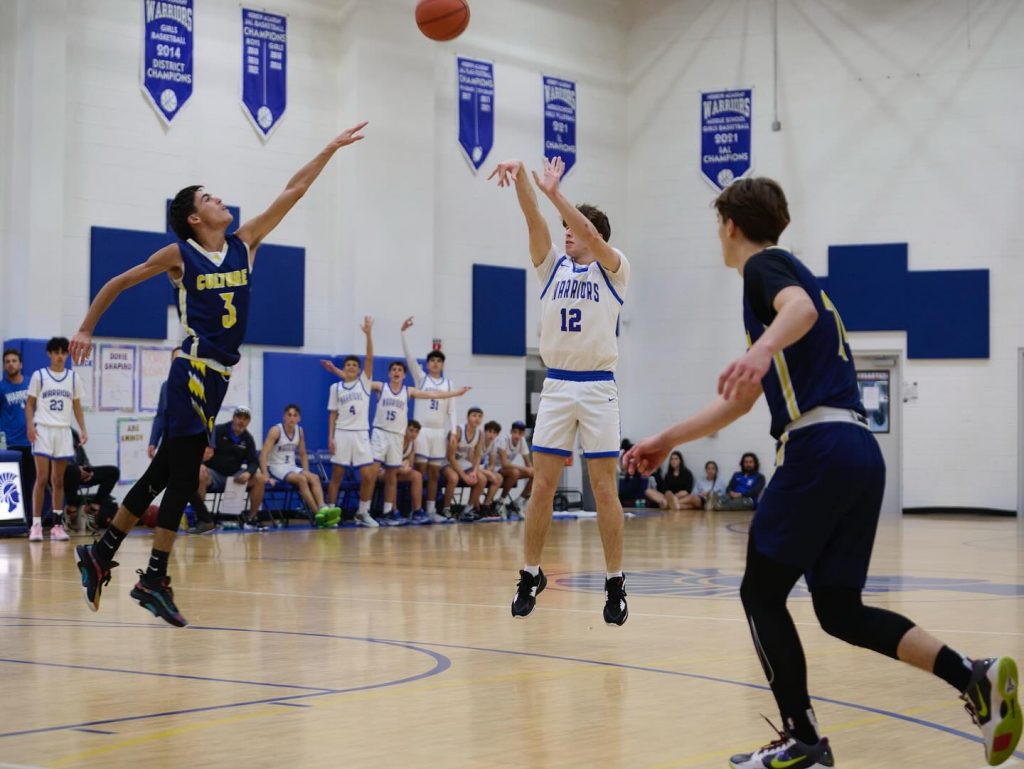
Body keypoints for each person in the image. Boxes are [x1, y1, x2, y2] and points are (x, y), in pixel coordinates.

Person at [625, 177, 1021, 768]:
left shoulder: (766, 269)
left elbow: (799, 312)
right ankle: (973, 677)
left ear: (730, 225)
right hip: (858, 449)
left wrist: (759, 350)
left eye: (717, 224)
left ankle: (802, 740)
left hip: (818, 447)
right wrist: (666, 438)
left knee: (760, 592)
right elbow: (739, 401)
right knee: (839, 610)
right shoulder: (787, 280)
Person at [72, 122, 368, 627]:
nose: (221, 200)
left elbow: (292, 191)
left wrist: (329, 148)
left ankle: (102, 551)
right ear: (193, 216)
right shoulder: (179, 256)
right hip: (190, 370)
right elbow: (118, 283)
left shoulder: (244, 242)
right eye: (209, 198)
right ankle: (154, 578)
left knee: (163, 473)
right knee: (185, 478)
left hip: (217, 382)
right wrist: (84, 330)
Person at [490, 156, 631, 625]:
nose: (566, 232)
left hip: (596, 388)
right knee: (543, 487)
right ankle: (530, 573)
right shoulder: (551, 268)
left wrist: (556, 194)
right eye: (565, 227)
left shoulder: (614, 270)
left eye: (574, 227)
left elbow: (588, 234)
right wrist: (526, 180)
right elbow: (534, 218)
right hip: (557, 386)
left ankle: (614, 582)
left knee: (604, 489)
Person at [361, 360, 470, 527]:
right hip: (380, 433)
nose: (396, 372)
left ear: (404, 375)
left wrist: (455, 393)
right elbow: (359, 382)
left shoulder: (408, 391)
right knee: (371, 474)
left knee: (392, 476)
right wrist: (339, 372)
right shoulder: (380, 387)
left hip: (397, 436)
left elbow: (433, 395)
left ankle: (388, 512)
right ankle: (363, 511)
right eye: (394, 370)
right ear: (389, 373)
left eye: (399, 370)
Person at [25, 337, 88, 542]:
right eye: (56, 352)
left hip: (62, 431)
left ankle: (57, 525)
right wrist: (30, 426)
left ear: (67, 355)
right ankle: (35, 525)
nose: (60, 356)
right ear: (49, 354)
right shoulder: (39, 376)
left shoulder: (73, 378)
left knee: (58, 480)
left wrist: (83, 428)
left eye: (63, 352)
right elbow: (29, 404)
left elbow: (76, 406)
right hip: (43, 429)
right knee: (42, 478)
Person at [401, 316, 458, 522]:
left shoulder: (449, 384)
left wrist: (453, 431)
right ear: (427, 364)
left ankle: (432, 510)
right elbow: (408, 357)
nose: (435, 363)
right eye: (432, 360)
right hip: (422, 430)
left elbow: (452, 410)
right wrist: (403, 333)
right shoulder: (421, 378)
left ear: (442, 364)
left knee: (435, 474)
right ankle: (414, 509)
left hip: (438, 432)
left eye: (438, 361)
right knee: (419, 471)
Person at [323, 317, 375, 526]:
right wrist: (331, 436)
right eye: (348, 365)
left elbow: (370, 358)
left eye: (355, 365)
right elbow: (332, 414)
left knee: (368, 475)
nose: (352, 367)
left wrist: (368, 335)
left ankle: (363, 512)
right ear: (344, 368)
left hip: (361, 433)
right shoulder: (336, 388)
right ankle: (331, 513)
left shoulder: (365, 383)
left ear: (359, 369)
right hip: (342, 433)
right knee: (337, 475)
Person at [261, 404, 338, 523]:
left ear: (299, 418)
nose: (292, 418)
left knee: (314, 477)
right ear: (284, 417)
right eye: (289, 415)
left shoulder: (300, 431)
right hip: (276, 467)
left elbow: (303, 454)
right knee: (301, 479)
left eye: (295, 415)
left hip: (291, 467)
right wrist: (266, 475)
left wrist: (306, 470)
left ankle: (323, 507)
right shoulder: (276, 431)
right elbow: (263, 453)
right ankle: (317, 514)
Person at [196, 406, 265, 532]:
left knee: (259, 478)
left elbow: (254, 462)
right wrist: (201, 463)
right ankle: (202, 518)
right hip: (214, 474)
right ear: (233, 418)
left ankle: (251, 518)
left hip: (234, 476)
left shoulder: (248, 439)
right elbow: (201, 449)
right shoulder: (218, 431)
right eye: (239, 417)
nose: (241, 421)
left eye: (245, 419)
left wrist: (248, 473)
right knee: (200, 474)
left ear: (248, 422)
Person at [1, 348, 35, 527]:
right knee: (14, 485)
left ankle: (31, 522)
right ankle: (15, 521)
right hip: (12, 444)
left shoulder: (31, 384)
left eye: (14, 361)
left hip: (32, 442)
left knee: (32, 484)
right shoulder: (1, 388)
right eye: (7, 361)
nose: (10, 364)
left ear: (20, 364)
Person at [64, 428, 120, 531]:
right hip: (63, 474)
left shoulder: (73, 432)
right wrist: (77, 469)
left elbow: (82, 456)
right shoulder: (51, 432)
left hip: (81, 471)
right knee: (73, 471)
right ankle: (72, 510)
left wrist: (88, 470)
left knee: (113, 472)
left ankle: (93, 508)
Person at [442, 407, 486, 522]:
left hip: (461, 462)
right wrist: (464, 475)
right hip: (446, 461)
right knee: (453, 477)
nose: (477, 418)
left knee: (481, 479)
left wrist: (474, 472)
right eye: (474, 415)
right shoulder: (458, 430)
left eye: (480, 416)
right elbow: (450, 457)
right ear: (467, 417)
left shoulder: (480, 434)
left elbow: (477, 456)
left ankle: (468, 509)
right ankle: (446, 508)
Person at [494, 420, 533, 520]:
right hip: (495, 469)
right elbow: (504, 464)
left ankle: (518, 502)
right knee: (515, 473)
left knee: (534, 474)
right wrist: (525, 469)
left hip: (508, 470)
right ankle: (500, 502)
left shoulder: (522, 441)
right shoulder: (503, 440)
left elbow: (528, 464)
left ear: (523, 434)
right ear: (511, 432)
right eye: (515, 432)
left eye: (520, 433)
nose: (517, 435)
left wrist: (532, 470)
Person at [395, 420, 425, 524]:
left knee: (417, 476)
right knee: (392, 476)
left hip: (399, 471)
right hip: (384, 472)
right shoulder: (396, 440)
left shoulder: (412, 444)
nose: (414, 434)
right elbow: (388, 465)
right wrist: (401, 469)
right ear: (404, 430)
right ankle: (393, 512)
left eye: (416, 432)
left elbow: (410, 462)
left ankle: (417, 511)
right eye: (411, 430)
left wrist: (406, 466)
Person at [475, 420, 504, 519]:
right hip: (471, 467)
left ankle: (486, 505)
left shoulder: (494, 444)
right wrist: (487, 473)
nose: (492, 435)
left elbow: (492, 464)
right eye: (490, 431)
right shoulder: (478, 440)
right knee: (482, 477)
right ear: (485, 431)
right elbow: (473, 463)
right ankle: (475, 505)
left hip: (481, 469)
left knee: (499, 477)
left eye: (494, 433)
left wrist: (489, 471)